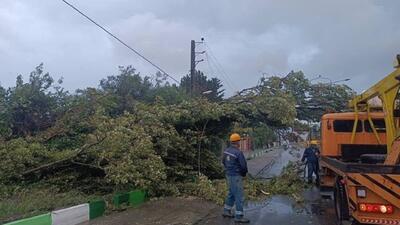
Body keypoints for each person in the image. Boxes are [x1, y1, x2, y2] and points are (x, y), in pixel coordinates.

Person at [222, 133, 250, 223]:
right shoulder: (238, 152)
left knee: (231, 193)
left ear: (231, 142)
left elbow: (223, 161)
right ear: (238, 142)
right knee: (239, 196)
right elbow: (243, 166)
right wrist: (244, 174)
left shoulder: (226, 151)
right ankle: (239, 216)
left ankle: (226, 211)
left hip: (228, 175)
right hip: (236, 176)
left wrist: (229, 168)